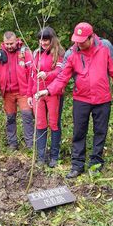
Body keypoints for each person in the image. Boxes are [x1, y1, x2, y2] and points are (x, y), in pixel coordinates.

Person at [35, 22, 113, 178]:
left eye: (82, 41)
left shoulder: (105, 47)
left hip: (102, 98)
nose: (78, 44)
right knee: (78, 132)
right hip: (81, 99)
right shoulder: (71, 53)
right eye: (76, 40)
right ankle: (77, 165)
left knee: (100, 132)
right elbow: (62, 77)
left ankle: (96, 163)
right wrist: (48, 90)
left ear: (91, 37)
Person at [27, 27, 65, 167]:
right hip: (38, 93)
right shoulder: (36, 53)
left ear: (52, 40)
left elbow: (61, 71)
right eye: (41, 40)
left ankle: (54, 156)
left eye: (46, 40)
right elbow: (32, 75)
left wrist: (47, 74)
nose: (43, 43)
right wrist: (30, 94)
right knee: (40, 123)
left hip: (53, 93)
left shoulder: (59, 53)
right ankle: (41, 156)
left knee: (54, 123)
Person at [0, 31, 34, 150]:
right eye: (7, 44)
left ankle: (30, 144)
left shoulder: (24, 53)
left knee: (27, 116)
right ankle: (12, 144)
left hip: (23, 91)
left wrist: (31, 90)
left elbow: (31, 71)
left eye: (11, 43)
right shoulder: (0, 55)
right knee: (10, 118)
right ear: (3, 43)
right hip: (7, 92)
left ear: (16, 41)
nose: (9, 46)